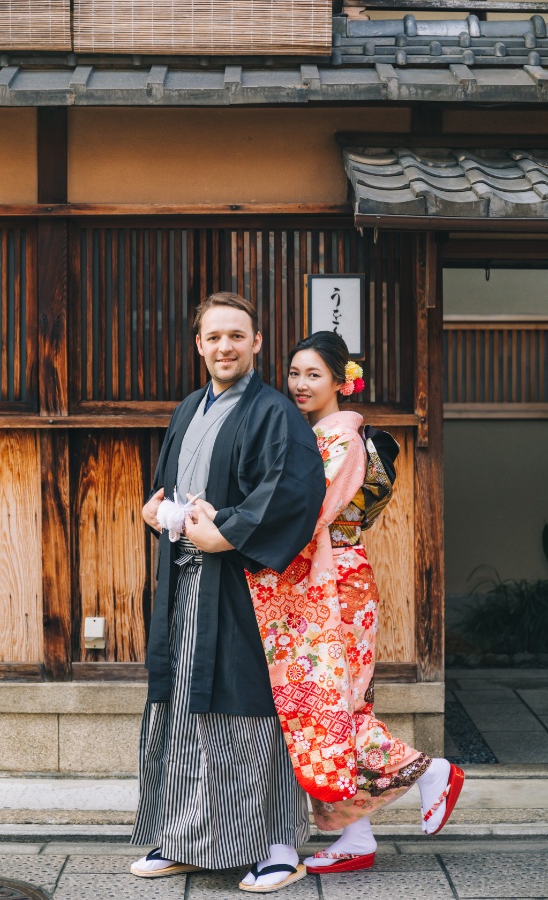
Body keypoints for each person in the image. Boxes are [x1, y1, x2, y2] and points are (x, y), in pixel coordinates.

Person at [247, 331, 464, 875]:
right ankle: (355, 834)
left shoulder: (341, 438)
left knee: (332, 706)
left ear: (342, 381)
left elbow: (307, 514)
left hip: (336, 580)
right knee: (329, 707)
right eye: (294, 373)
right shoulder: (318, 434)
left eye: (313, 374)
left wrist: (238, 534)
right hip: (328, 574)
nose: (299, 383)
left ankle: (429, 772)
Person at [130, 293, 326, 892]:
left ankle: (275, 846)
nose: (225, 347)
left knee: (248, 709)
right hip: (188, 580)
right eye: (213, 337)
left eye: (237, 336)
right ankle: (188, 837)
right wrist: (156, 508)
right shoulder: (190, 407)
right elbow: (174, 487)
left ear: (257, 342)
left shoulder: (274, 411)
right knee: (186, 703)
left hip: (245, 586)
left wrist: (229, 532)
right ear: (198, 345)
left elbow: (294, 489)